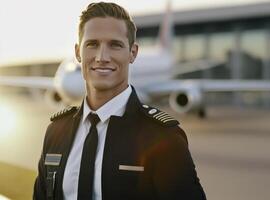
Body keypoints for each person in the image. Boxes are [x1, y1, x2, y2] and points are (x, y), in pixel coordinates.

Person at [33, 2, 206, 200]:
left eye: (115, 45)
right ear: (78, 52)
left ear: (133, 53)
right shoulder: (56, 132)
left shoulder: (163, 137)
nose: (102, 57)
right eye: (92, 44)